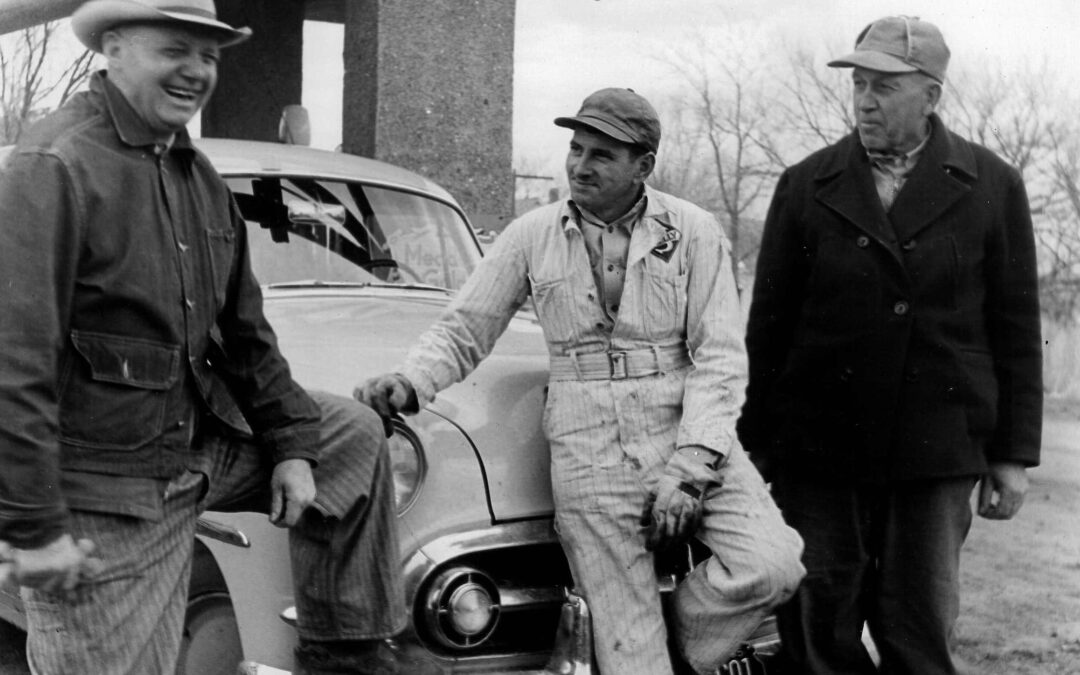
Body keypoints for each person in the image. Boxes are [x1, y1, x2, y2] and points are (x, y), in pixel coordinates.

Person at [0, 1, 428, 673]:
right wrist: (31, 526)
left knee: (348, 434)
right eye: (174, 49)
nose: (196, 71)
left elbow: (247, 333)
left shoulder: (195, 174)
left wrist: (291, 445)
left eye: (209, 55)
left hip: (198, 449)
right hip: (106, 489)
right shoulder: (54, 164)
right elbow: (12, 361)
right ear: (113, 48)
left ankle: (342, 656)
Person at [355, 87, 805, 675]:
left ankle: (676, 640)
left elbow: (719, 356)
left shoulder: (693, 232)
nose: (579, 165)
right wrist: (409, 380)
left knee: (774, 566)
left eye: (601, 155)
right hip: (586, 444)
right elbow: (467, 327)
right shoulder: (532, 234)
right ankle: (641, 651)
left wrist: (692, 468)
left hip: (684, 426)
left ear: (643, 166)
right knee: (629, 651)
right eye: (576, 148)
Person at [737, 15, 1043, 675]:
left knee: (919, 633)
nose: (865, 100)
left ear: (931, 95)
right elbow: (769, 329)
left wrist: (1013, 455)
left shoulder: (992, 186)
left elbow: (1016, 330)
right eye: (859, 86)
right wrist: (756, 444)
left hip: (934, 451)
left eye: (884, 86)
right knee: (817, 630)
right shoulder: (806, 184)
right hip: (820, 453)